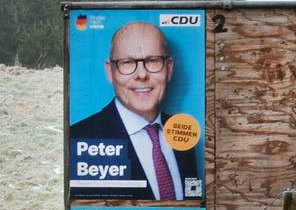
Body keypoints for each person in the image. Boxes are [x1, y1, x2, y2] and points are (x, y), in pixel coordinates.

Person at [69, 21, 200, 200]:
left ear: (169, 69)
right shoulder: (79, 138)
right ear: (110, 72)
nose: (141, 75)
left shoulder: (183, 133)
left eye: (152, 61)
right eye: (127, 62)